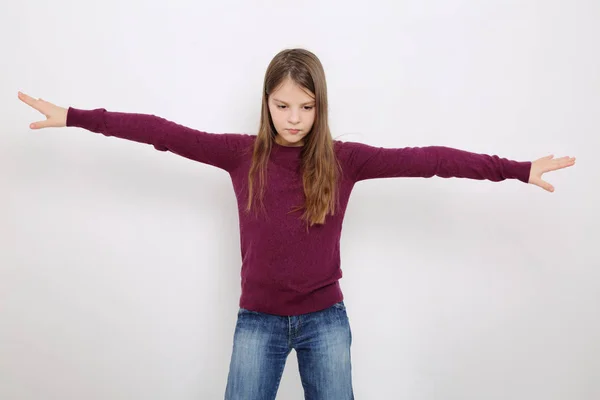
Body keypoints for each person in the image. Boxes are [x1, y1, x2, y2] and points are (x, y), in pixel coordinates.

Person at [17, 48, 575, 400]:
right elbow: (160, 130)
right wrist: (75, 117)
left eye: (306, 107)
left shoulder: (345, 160)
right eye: (283, 106)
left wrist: (517, 170)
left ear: (319, 107)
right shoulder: (241, 155)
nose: (293, 119)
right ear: (267, 103)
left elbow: (430, 160)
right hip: (256, 324)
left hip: (324, 322)